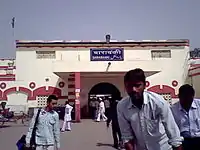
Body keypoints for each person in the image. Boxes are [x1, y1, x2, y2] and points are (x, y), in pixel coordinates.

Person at [117, 68, 183, 150]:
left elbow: (172, 131)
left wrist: (177, 146)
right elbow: (127, 137)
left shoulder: (158, 102)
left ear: (144, 85)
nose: (133, 89)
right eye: (129, 86)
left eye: (137, 85)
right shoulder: (122, 106)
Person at [171, 84, 200, 150]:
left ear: (193, 97)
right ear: (179, 96)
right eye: (184, 99)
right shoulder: (172, 110)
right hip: (184, 141)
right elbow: (172, 129)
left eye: (189, 100)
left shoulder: (199, 105)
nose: (187, 103)